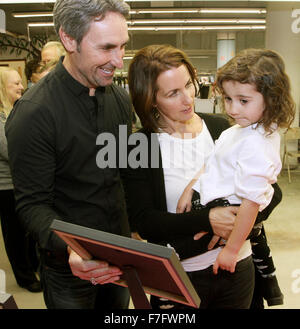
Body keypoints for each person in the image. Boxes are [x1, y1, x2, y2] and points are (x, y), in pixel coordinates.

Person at [124, 44, 282, 309]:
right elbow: (143, 221)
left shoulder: (222, 126)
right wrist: (208, 220)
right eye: (173, 93)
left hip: (238, 268)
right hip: (180, 278)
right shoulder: (137, 146)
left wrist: (233, 224)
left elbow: (271, 190)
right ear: (150, 98)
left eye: (188, 84)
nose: (188, 98)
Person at [5, 0, 132, 309]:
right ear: (69, 39)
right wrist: (72, 249)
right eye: (106, 48)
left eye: (123, 46)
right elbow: (33, 206)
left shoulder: (117, 97)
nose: (118, 61)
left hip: (121, 259)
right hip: (69, 269)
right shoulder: (35, 113)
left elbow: (123, 173)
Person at [177, 48, 295, 307]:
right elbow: (213, 160)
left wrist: (231, 250)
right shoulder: (240, 129)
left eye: (243, 100)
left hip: (227, 221)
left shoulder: (258, 143)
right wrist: (190, 187)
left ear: (271, 99)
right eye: (228, 99)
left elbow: (251, 203)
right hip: (209, 209)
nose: (232, 108)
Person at [0, 67, 42, 292]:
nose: (21, 87)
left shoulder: (15, 111)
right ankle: (25, 276)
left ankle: (33, 265)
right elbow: (11, 151)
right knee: (15, 233)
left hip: (23, 183)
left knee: (28, 229)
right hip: (6, 186)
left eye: (20, 82)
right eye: (14, 83)